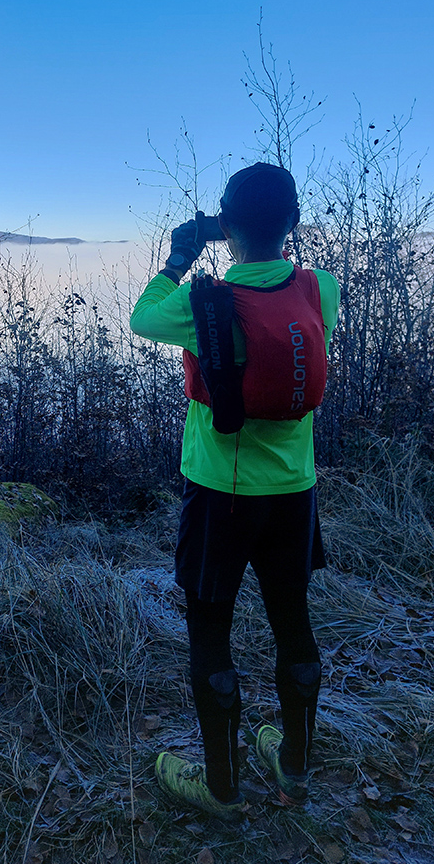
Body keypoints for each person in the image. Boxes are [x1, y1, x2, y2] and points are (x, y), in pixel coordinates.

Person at [130, 162, 340, 818]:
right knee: (292, 620)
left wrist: (179, 258)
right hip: (294, 492)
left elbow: (142, 317)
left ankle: (221, 789)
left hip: (220, 493)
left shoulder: (205, 305)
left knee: (210, 630)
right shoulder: (321, 290)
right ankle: (294, 767)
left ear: (225, 225)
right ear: (293, 221)